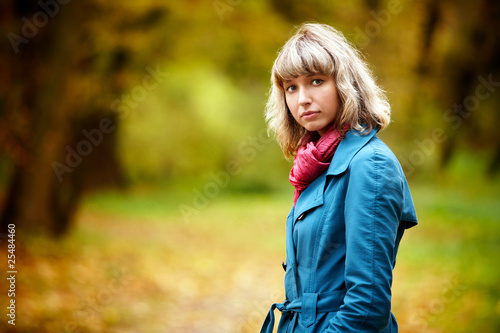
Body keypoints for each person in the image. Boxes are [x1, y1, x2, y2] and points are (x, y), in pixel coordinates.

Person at [260, 23, 418, 333]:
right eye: (291, 87)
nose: (302, 98)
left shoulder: (369, 165)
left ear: (345, 84)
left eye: (316, 81)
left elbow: (367, 305)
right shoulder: (316, 163)